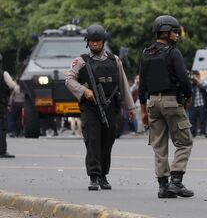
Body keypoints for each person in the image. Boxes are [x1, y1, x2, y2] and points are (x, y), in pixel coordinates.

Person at [65, 24, 136, 190]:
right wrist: (84, 91)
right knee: (93, 140)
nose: (95, 44)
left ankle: (104, 175)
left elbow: (123, 84)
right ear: (87, 42)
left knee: (108, 140)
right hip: (91, 108)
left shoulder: (114, 60)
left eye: (98, 41)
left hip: (111, 107)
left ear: (104, 42)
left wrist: (131, 107)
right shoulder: (80, 61)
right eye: (91, 41)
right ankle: (94, 176)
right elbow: (69, 80)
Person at [139, 15, 194, 199]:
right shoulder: (172, 52)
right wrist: (189, 95)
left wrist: (143, 110)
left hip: (152, 102)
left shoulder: (146, 53)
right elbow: (184, 78)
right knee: (184, 142)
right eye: (175, 31)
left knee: (159, 145)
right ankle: (176, 182)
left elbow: (142, 85)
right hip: (171, 101)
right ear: (166, 32)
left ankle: (163, 186)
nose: (177, 35)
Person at [0, 54, 15, 158]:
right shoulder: (3, 74)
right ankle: (2, 150)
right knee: (2, 128)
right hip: (1, 104)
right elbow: (13, 86)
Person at [3, 70, 24, 138]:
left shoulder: (15, 87)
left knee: (14, 119)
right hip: (22, 104)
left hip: (15, 104)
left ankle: (14, 132)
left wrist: (9, 104)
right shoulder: (24, 88)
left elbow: (12, 97)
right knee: (20, 119)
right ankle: (20, 132)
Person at [189, 71, 207, 138]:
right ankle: (192, 133)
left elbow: (204, 87)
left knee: (202, 119)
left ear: (199, 76)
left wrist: (197, 80)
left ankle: (202, 132)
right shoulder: (191, 84)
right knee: (192, 119)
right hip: (193, 104)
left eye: (197, 76)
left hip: (201, 104)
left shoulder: (203, 82)